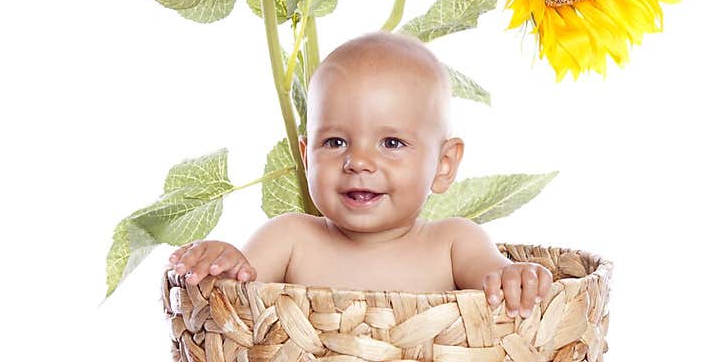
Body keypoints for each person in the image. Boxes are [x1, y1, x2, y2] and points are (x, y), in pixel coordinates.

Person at [168, 31, 553, 316]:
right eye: (335, 142)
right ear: (306, 156)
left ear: (444, 164)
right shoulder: (290, 239)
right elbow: (236, 295)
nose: (359, 162)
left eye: (391, 143)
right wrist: (224, 260)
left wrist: (516, 278)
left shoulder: (454, 243)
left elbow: (499, 281)